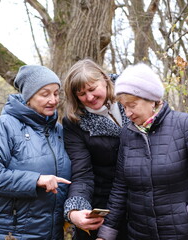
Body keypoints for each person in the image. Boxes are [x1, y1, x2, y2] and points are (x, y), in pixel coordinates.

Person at [97, 63, 188, 240]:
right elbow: (120, 187)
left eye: (132, 105)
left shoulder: (184, 125)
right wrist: (107, 232)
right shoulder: (127, 134)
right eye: (124, 107)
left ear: (151, 99)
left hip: (184, 233)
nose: (127, 113)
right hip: (139, 233)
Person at [0, 65, 72, 240]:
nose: (53, 100)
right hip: (9, 234)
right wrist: (36, 180)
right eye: (45, 94)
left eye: (56, 93)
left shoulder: (58, 131)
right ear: (28, 97)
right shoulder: (4, 125)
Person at [62, 59, 129, 240]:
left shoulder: (131, 96)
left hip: (142, 202)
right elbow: (82, 173)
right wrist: (75, 210)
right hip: (103, 202)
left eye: (92, 89)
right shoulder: (74, 122)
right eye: (82, 94)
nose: (90, 98)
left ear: (105, 79)